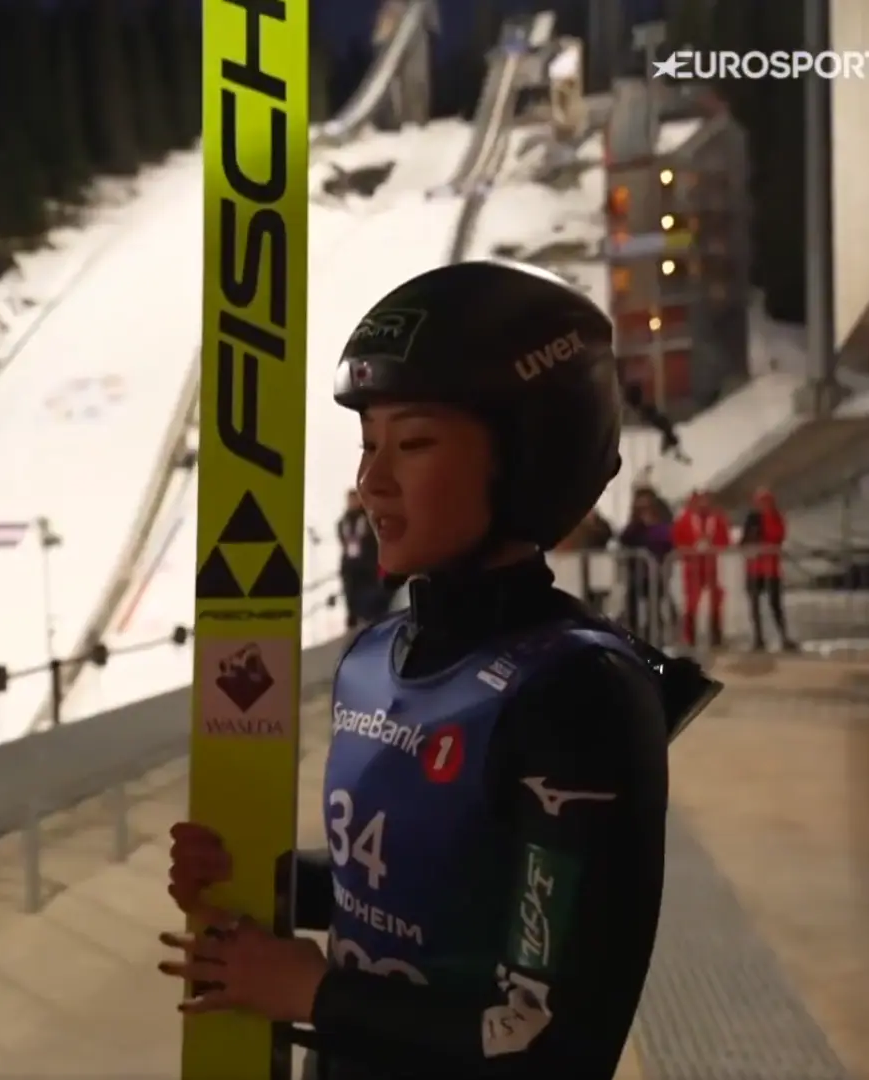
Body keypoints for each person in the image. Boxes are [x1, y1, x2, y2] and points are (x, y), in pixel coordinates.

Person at [159, 261, 719, 1080]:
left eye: (413, 442)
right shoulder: (373, 658)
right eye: (367, 444)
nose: (371, 481)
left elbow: (551, 1040)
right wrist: (259, 881)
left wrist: (312, 993)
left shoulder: (577, 693)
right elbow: (419, 896)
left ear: (529, 457)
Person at [740, 488, 798, 651]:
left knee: (775, 604)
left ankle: (783, 637)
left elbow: (778, 536)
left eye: (765, 501)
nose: (762, 505)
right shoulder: (751, 519)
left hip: (771, 567)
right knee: (755, 604)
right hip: (754, 568)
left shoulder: (776, 517)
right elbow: (744, 541)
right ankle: (758, 638)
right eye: (760, 502)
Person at [672, 489, 731, 648]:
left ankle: (716, 637)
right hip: (692, 567)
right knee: (691, 603)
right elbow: (678, 540)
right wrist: (691, 548)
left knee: (715, 602)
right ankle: (689, 638)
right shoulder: (684, 520)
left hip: (712, 566)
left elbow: (725, 539)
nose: (703, 504)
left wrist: (713, 547)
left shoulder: (717, 519)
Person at [617, 490, 676, 642]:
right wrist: (639, 524)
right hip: (637, 573)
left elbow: (666, 541)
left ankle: (656, 637)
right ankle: (633, 635)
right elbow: (624, 538)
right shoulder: (635, 527)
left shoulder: (662, 523)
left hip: (657, 573)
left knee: (655, 607)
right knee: (632, 605)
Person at [338, 488, 384, 630]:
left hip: (367, 566)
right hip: (350, 567)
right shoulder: (343, 522)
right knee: (351, 597)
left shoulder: (368, 519)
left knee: (369, 600)